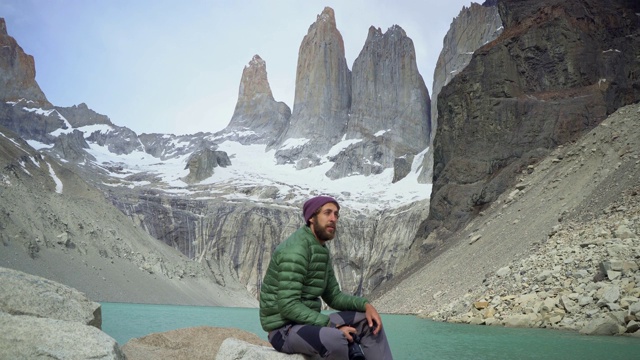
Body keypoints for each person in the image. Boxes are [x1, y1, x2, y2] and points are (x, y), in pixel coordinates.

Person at [259, 195, 393, 360]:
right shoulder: (295, 250)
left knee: (368, 322)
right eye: (327, 213)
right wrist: (333, 326)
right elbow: (288, 305)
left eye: (336, 214)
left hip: (307, 324)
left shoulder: (320, 250)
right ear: (311, 218)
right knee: (336, 338)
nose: (333, 219)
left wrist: (366, 305)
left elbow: (333, 296)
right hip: (284, 331)